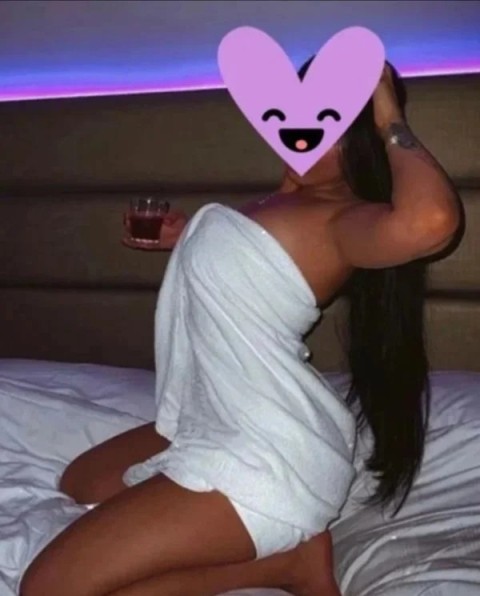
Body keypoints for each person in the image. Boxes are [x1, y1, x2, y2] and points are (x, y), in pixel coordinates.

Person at [20, 62, 461, 596]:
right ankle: (277, 554)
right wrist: (187, 237)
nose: (299, 131)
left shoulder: (343, 217)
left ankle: (285, 564)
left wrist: (388, 113)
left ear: (358, 135)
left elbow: (431, 222)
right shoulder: (283, 202)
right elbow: (262, 266)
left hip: (268, 451)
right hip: (217, 414)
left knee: (46, 588)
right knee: (84, 482)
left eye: (327, 120)